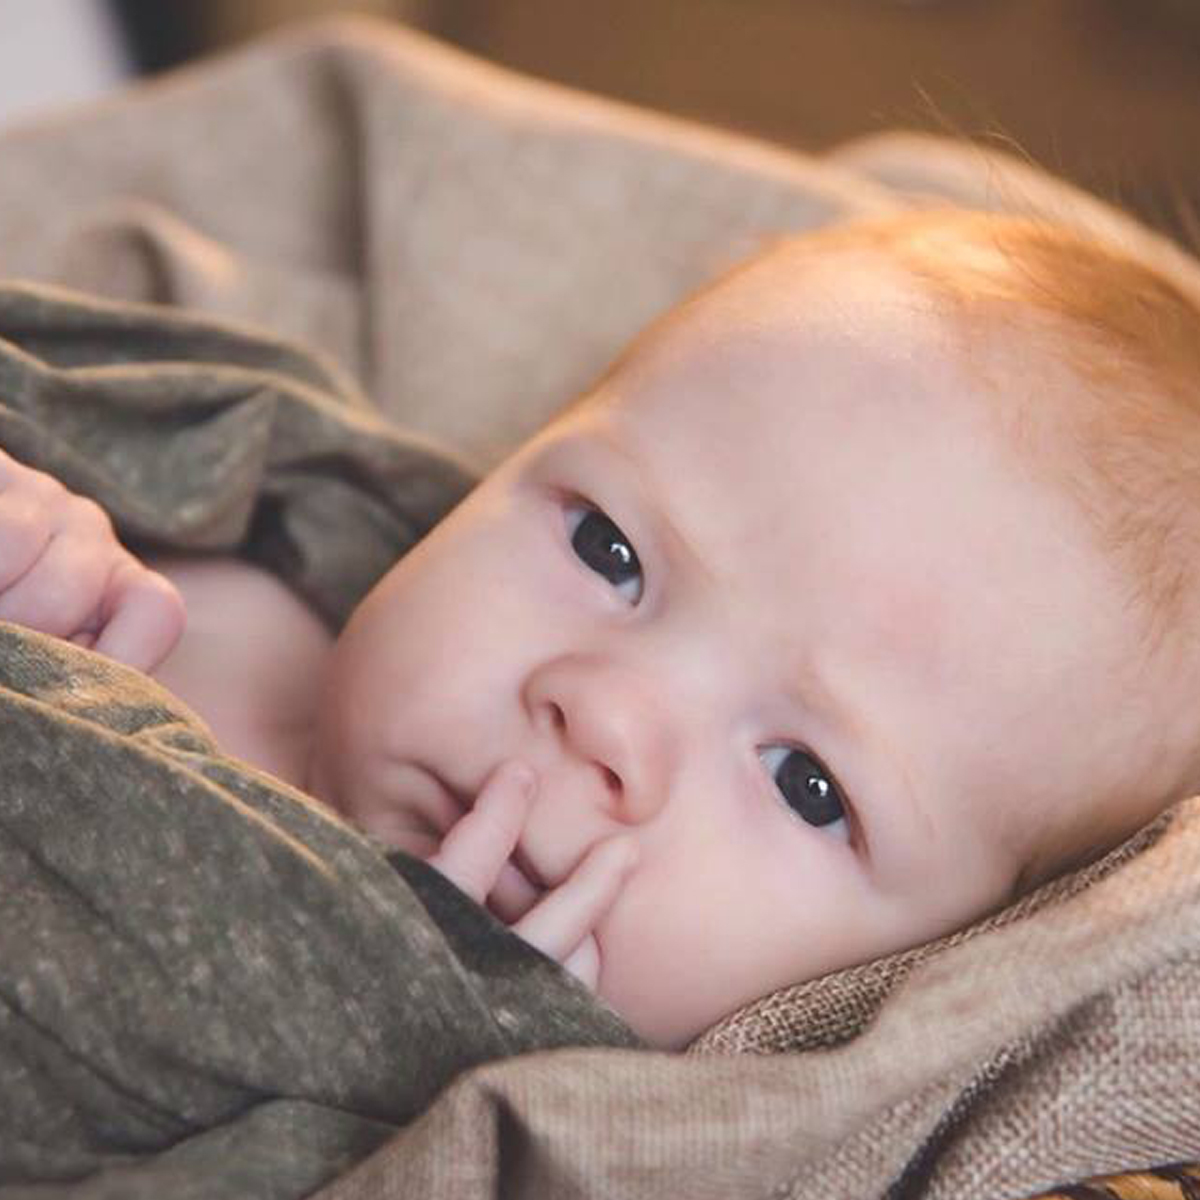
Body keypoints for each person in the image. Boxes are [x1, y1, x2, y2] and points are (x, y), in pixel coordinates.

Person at [1, 208, 1197, 1050]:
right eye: (608, 550)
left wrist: (364, 1021)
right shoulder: (224, 539)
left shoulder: (509, 1124)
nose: (608, 714)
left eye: (810, 786)